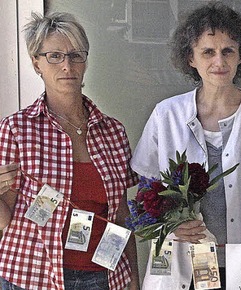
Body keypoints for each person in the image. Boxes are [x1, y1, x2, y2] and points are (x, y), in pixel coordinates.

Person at [131, 2, 241, 289]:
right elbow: (146, 191)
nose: (219, 62)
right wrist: (171, 221)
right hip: (181, 264)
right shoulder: (166, 116)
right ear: (190, 58)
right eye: (208, 51)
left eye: (228, 50)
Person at [0, 12, 139, 290]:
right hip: (32, 276)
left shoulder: (113, 131)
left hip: (103, 277)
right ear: (36, 63)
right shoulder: (17, 129)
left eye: (76, 55)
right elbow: (5, 219)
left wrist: (133, 277)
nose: (67, 65)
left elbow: (121, 214)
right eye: (54, 56)